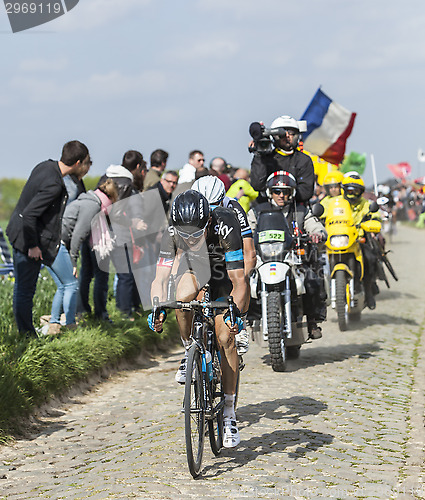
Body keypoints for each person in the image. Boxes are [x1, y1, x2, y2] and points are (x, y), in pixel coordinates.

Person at [149, 190, 248, 448]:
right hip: (194, 269)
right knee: (182, 301)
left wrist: (235, 311)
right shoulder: (171, 233)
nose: (189, 239)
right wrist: (157, 307)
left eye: (196, 234)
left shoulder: (225, 224)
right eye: (184, 234)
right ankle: (189, 348)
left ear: (208, 223)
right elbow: (159, 279)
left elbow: (239, 280)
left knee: (225, 337)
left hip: (222, 274)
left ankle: (228, 411)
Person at [6, 140, 91, 337]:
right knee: (25, 290)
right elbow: (29, 215)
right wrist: (33, 246)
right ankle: (27, 336)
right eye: (85, 162)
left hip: (26, 235)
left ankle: (27, 333)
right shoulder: (54, 184)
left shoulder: (45, 166)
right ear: (78, 163)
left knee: (24, 289)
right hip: (28, 240)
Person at [247, 171, 327, 339]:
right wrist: (243, 238)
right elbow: (247, 229)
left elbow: (314, 225)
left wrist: (317, 233)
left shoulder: (301, 211)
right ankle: (248, 321)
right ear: (270, 192)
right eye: (277, 191)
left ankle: (312, 320)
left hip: (293, 258)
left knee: (313, 279)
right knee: (244, 281)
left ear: (292, 193)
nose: (281, 195)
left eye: (286, 191)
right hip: (263, 257)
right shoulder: (258, 211)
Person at [191, 175, 257, 355]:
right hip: (206, 256)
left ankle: (242, 324)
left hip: (230, 257)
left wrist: (243, 280)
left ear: (222, 199)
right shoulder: (191, 206)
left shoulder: (234, 208)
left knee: (241, 277)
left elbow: (249, 251)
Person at [46, 180, 118, 335]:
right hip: (58, 244)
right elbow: (78, 235)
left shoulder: (88, 200)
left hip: (52, 242)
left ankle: (55, 323)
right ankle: (69, 324)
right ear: (110, 197)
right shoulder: (93, 206)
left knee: (63, 285)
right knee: (71, 284)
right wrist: (73, 262)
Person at [250, 115, 315, 205]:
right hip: (267, 210)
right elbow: (257, 185)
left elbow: (306, 192)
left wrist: (285, 194)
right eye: (283, 133)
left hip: (295, 210)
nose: (287, 136)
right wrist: (258, 154)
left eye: (291, 133)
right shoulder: (266, 158)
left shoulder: (304, 160)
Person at [340, 174, 380, 310]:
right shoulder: (337, 203)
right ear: (344, 190)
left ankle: (368, 290)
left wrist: (373, 221)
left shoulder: (366, 204)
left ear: (361, 192)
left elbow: (375, 216)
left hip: (359, 240)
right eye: (349, 190)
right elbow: (324, 213)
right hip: (339, 240)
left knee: (370, 258)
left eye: (355, 191)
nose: (352, 194)